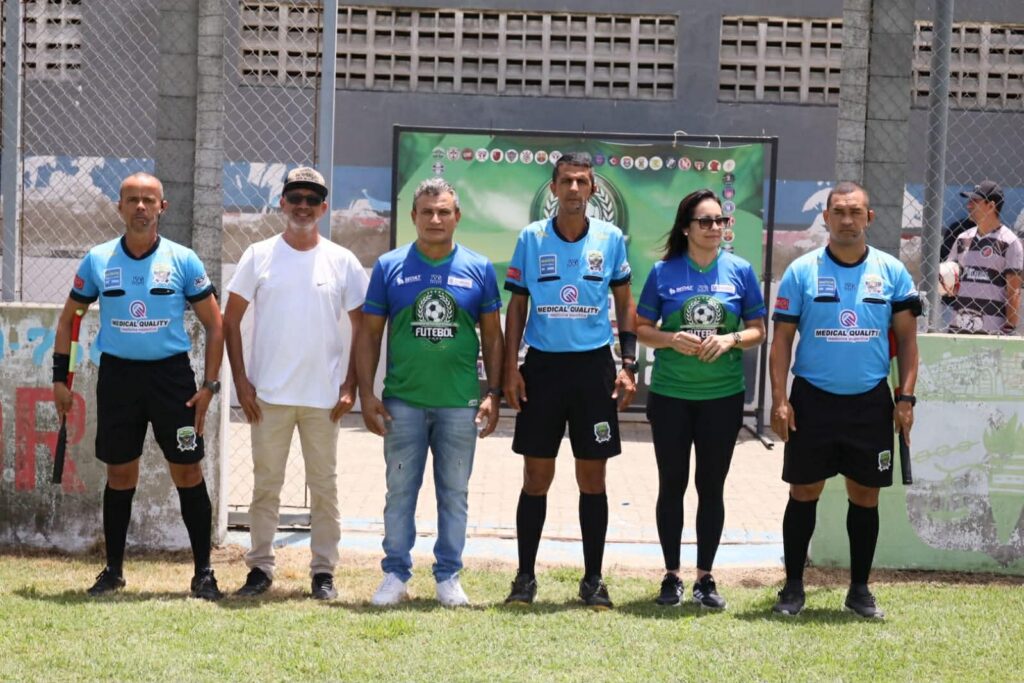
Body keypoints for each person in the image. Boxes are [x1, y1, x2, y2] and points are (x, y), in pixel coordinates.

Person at [53, 173, 225, 599]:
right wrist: (60, 379)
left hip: (172, 381)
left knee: (188, 470)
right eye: (132, 200)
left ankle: (204, 573)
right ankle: (113, 571)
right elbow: (70, 319)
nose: (141, 207)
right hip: (118, 379)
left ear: (163, 207)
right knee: (120, 473)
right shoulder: (98, 259)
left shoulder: (183, 259)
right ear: (120, 207)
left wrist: (210, 386)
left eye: (149, 200)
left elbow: (216, 324)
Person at [769, 181, 920, 619]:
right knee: (803, 491)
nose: (847, 220)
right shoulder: (801, 271)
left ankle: (859, 590)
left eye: (856, 212)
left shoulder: (892, 272)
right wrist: (780, 399)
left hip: (870, 401)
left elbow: (908, 343)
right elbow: (782, 341)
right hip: (812, 400)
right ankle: (793, 588)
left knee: (866, 495)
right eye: (839, 212)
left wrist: (906, 398)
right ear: (826, 218)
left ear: (869, 217)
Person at [356, 178, 503, 607]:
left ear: (457, 217)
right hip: (402, 402)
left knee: (454, 494)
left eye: (443, 211)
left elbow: (493, 338)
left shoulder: (479, 268)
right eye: (427, 211)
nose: (435, 219)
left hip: (459, 403)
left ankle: (448, 576)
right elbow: (369, 335)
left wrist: (493, 393)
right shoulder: (389, 267)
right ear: (413, 216)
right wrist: (367, 394)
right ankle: (395, 574)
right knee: (400, 493)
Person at [224, 167, 368, 601]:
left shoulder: (342, 261)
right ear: (282, 203)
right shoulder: (258, 255)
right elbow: (230, 320)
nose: (303, 206)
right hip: (267, 397)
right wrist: (241, 382)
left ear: (324, 208)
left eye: (312, 199)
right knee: (266, 486)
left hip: (325, 400)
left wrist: (351, 385)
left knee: (325, 488)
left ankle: (323, 572)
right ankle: (260, 568)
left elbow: (362, 328)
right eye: (296, 198)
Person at [502, 151, 637, 609]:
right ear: (554, 188)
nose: (574, 188)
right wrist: (510, 369)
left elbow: (625, 303)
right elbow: (517, 306)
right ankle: (524, 578)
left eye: (582, 181)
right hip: (542, 369)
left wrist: (628, 364)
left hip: (593, 370)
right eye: (566, 181)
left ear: (593, 188)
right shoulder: (532, 238)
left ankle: (593, 580)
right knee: (535, 476)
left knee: (592, 477)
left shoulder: (611, 239)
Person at [636, 189, 766, 609]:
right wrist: (670, 338)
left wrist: (730, 340)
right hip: (671, 395)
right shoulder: (663, 272)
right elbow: (642, 328)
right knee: (671, 484)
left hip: (722, 397)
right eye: (705, 221)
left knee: (711, 486)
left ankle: (705, 578)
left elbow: (758, 330)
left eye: (720, 221)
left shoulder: (740, 271)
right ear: (686, 228)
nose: (715, 228)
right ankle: (672, 576)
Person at [946, 180, 1023, 335]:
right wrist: (945, 279)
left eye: (975, 201)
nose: (969, 205)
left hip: (991, 332)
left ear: (991, 206)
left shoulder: (1010, 242)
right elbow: (948, 283)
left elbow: (1013, 292)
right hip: (958, 329)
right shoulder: (962, 238)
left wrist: (1009, 329)